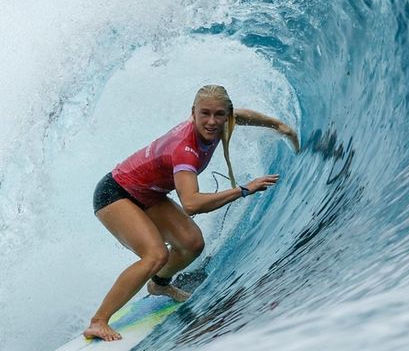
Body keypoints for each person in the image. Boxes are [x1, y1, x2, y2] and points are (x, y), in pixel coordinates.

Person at [83, 84, 300, 341]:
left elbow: (239, 115)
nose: (212, 121)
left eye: (219, 114)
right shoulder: (186, 150)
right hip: (115, 193)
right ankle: (98, 321)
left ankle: (159, 285)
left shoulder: (219, 122)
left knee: (191, 243)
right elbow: (192, 203)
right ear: (193, 113)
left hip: (148, 193)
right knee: (155, 254)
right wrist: (244, 189)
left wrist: (278, 126)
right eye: (204, 114)